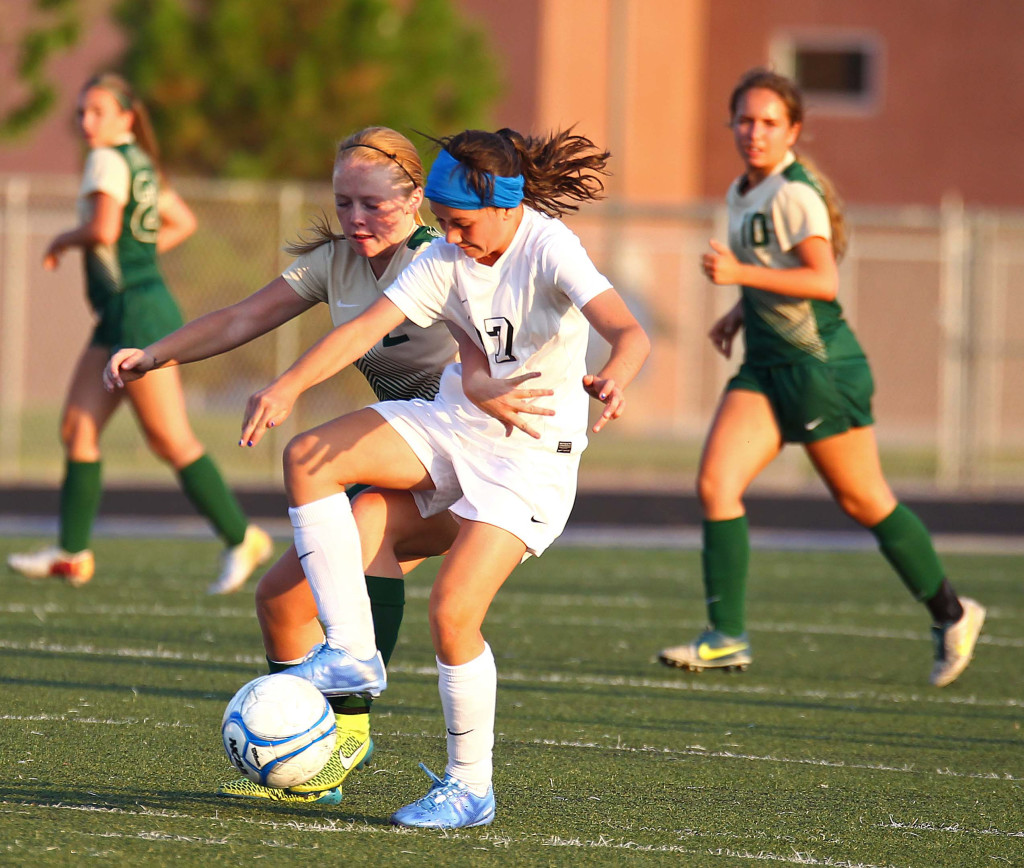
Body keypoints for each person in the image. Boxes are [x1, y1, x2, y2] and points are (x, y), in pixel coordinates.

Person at [113, 126, 650, 828]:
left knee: (453, 609)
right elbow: (361, 333)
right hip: (451, 428)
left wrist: (613, 378)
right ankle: (350, 661)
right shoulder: (438, 256)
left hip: (529, 456)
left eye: (457, 223)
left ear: (495, 206)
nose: (450, 238)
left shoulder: (544, 245)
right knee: (308, 463)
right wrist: (286, 385)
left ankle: (466, 786)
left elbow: (628, 331)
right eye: (343, 202)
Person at [106, 126, 479, 805]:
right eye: (344, 203)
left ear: (417, 198)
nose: (357, 219)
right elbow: (240, 318)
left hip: (470, 460)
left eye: (373, 203)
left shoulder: (445, 261)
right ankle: (310, 769)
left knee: (369, 518)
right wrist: (153, 353)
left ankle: (350, 732)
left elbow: (510, 338)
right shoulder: (336, 262)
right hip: (397, 451)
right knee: (280, 601)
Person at [656, 68, 985, 689]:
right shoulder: (741, 190)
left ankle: (953, 612)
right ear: (731, 125)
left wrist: (739, 280)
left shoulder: (794, 194)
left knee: (864, 500)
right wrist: (738, 312)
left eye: (769, 123)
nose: (754, 132)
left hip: (818, 369)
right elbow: (767, 268)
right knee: (716, 483)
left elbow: (820, 281)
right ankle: (726, 637)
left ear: (794, 131)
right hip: (765, 365)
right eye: (745, 120)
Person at [6, 73, 271, 594]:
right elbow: (181, 220)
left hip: (138, 315)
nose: (87, 122)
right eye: (82, 112)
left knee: (169, 439)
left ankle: (243, 538)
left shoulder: (107, 160)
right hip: (121, 314)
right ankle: (72, 553)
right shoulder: (139, 162)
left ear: (127, 117)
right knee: (77, 430)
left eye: (98, 112)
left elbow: (104, 230)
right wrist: (138, 260)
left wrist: (62, 239)